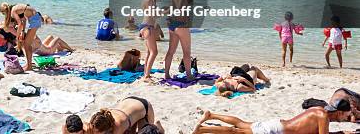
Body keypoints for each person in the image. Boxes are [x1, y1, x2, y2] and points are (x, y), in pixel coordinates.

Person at [192, 102, 352, 134]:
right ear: (339, 112)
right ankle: (203, 129)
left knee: (241, 124)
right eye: (346, 115)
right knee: (237, 131)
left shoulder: (319, 109)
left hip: (277, 124)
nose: (347, 117)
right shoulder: (323, 116)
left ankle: (211, 115)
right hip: (276, 131)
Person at [63, 97, 159, 134]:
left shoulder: (118, 127)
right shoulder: (98, 120)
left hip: (144, 107)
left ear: (108, 129)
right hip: (127, 101)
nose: (94, 133)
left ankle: (159, 127)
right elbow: (81, 126)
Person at [164, 0, 194, 81]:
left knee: (171, 51)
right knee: (186, 52)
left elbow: (171, 8)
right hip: (182, 25)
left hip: (171, 24)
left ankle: (166, 74)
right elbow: (181, 9)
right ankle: (189, 75)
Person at [0, 2, 42, 71]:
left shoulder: (13, 12)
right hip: (35, 18)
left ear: (5, 11)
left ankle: (29, 66)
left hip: (34, 20)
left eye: (3, 14)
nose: (4, 15)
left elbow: (20, 24)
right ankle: (29, 64)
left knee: (26, 45)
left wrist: (18, 36)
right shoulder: (15, 8)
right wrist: (22, 32)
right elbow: (24, 20)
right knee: (27, 44)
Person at [139, 0, 160, 80]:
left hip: (145, 26)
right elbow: (153, 15)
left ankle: (146, 73)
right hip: (148, 27)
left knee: (149, 52)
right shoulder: (149, 0)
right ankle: (147, 75)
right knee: (154, 52)